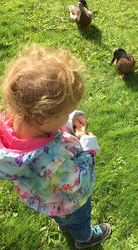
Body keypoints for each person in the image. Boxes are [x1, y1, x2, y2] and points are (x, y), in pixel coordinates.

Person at [0, 45, 111, 249]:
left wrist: (68, 120)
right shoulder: (52, 158)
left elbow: (48, 124)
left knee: (60, 216)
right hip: (70, 203)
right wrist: (88, 150)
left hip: (46, 198)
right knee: (79, 219)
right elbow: (77, 182)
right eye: (64, 112)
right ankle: (84, 239)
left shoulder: (14, 119)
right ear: (44, 118)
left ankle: (63, 223)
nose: (67, 115)